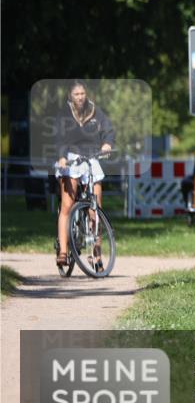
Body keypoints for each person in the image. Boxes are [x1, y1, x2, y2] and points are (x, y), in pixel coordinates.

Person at [54, 80, 115, 271]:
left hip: (90, 157)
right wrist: (62, 157)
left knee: (95, 209)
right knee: (67, 205)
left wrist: (107, 143)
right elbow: (59, 138)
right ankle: (63, 251)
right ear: (70, 97)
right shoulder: (64, 114)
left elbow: (108, 129)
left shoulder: (95, 111)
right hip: (70, 158)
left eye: (82, 93)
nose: (80, 97)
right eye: (76, 94)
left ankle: (96, 254)